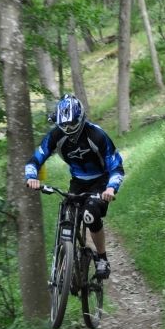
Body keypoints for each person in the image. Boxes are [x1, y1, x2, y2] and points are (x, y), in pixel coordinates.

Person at [25, 94, 124, 279]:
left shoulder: (96, 135)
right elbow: (35, 159)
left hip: (100, 181)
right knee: (67, 214)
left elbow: (117, 166)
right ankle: (66, 259)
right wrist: (31, 177)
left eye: (72, 124)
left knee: (90, 214)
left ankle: (102, 259)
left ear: (81, 118)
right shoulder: (56, 135)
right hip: (78, 181)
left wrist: (111, 188)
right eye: (64, 125)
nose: (68, 129)